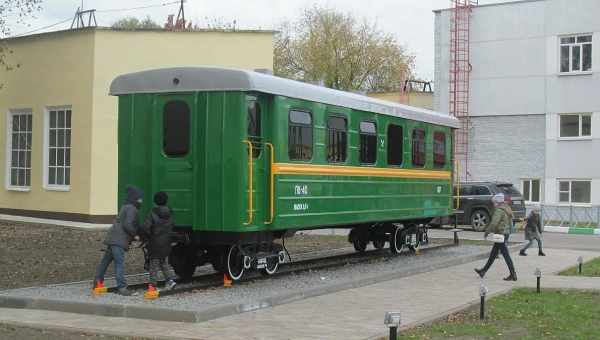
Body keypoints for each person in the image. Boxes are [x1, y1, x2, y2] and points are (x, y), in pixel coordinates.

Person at [93, 186, 144, 296]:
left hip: (112, 238)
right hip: (119, 240)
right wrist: (135, 236)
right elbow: (128, 224)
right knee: (119, 263)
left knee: (105, 262)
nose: (141, 201)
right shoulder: (132, 209)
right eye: (140, 199)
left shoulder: (125, 207)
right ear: (135, 198)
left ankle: (97, 283)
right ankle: (122, 288)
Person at [475, 193, 518, 281]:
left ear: (497, 202)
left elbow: (494, 223)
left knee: (505, 255)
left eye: (494, 202)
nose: (493, 204)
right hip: (505, 233)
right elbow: (511, 222)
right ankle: (483, 271)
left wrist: (487, 231)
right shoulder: (507, 208)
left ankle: (513, 274)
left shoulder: (499, 210)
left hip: (500, 234)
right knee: (494, 253)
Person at [141, 192, 177, 293]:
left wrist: (146, 237)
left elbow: (146, 228)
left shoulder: (152, 213)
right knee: (164, 263)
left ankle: (152, 286)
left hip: (155, 242)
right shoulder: (170, 213)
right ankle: (170, 281)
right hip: (166, 242)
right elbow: (172, 225)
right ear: (166, 200)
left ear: (155, 201)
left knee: (154, 265)